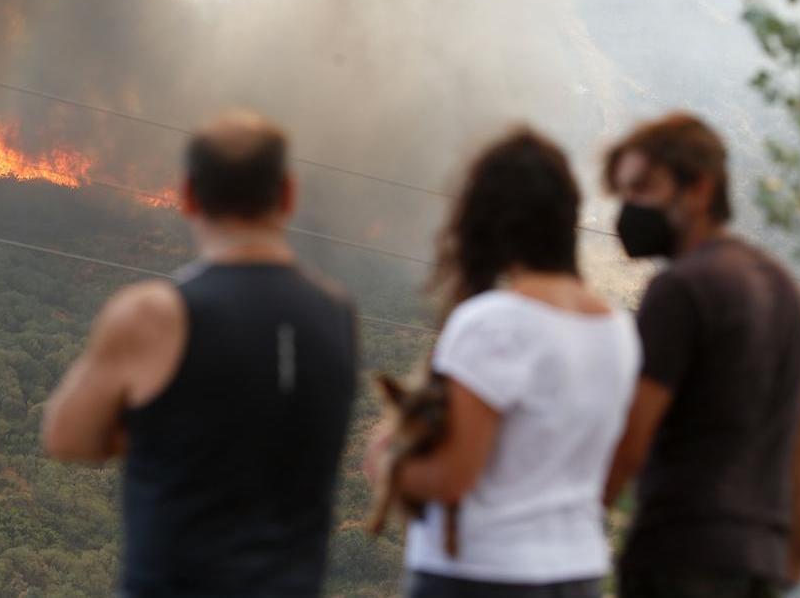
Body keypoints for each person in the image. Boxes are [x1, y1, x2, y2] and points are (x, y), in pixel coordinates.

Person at [42, 110, 358, 597]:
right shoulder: (336, 313)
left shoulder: (154, 315)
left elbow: (67, 438)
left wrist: (158, 431)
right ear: (288, 195)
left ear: (187, 195)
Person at [365, 129, 641, 598]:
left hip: (480, 573)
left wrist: (386, 462)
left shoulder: (493, 322)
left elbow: (455, 478)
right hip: (578, 571)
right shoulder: (617, 329)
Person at [601, 113, 800, 597]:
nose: (628, 209)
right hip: (760, 564)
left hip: (679, 560)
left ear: (698, 189)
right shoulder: (783, 289)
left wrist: (575, 519)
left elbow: (630, 439)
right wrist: (791, 564)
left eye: (642, 189)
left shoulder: (679, 289)